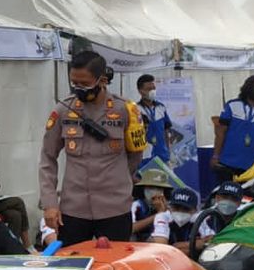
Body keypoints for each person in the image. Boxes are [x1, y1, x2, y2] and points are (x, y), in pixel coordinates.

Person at [40, 51, 146, 246]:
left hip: (115, 207)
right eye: (74, 83)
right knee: (71, 266)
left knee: (115, 267)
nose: (78, 88)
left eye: (85, 84)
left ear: (102, 80)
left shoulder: (125, 110)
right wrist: (49, 204)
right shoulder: (63, 110)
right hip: (73, 209)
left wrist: (120, 182)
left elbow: (136, 155)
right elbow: (47, 158)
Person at [212, 75, 254, 182]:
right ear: (248, 88)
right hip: (227, 163)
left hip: (252, 166)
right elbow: (220, 133)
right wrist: (215, 156)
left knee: (247, 197)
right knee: (225, 195)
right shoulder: (233, 105)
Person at [136, 74, 173, 164]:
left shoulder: (161, 107)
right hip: (144, 157)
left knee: (163, 178)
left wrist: (168, 151)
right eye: (149, 89)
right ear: (140, 91)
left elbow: (166, 130)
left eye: (154, 88)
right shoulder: (135, 109)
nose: (152, 91)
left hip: (162, 155)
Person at [164, 188, 211, 253]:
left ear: (195, 210)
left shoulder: (199, 219)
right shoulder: (163, 218)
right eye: (176, 207)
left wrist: (180, 246)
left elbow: (211, 241)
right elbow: (163, 248)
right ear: (170, 207)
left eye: (186, 209)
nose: (180, 212)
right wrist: (195, 245)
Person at [131, 167, 171, 242]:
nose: (154, 191)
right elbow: (131, 228)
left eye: (158, 188)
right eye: (150, 187)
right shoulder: (136, 205)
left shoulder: (168, 207)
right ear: (143, 189)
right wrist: (158, 214)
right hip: (137, 243)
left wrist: (165, 212)